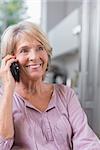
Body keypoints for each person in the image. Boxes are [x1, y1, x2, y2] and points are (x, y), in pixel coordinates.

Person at [0, 21, 100, 150]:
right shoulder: (3, 99)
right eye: (24, 50)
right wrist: (8, 89)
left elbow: (86, 141)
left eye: (40, 48)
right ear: (10, 60)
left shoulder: (65, 94)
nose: (34, 57)